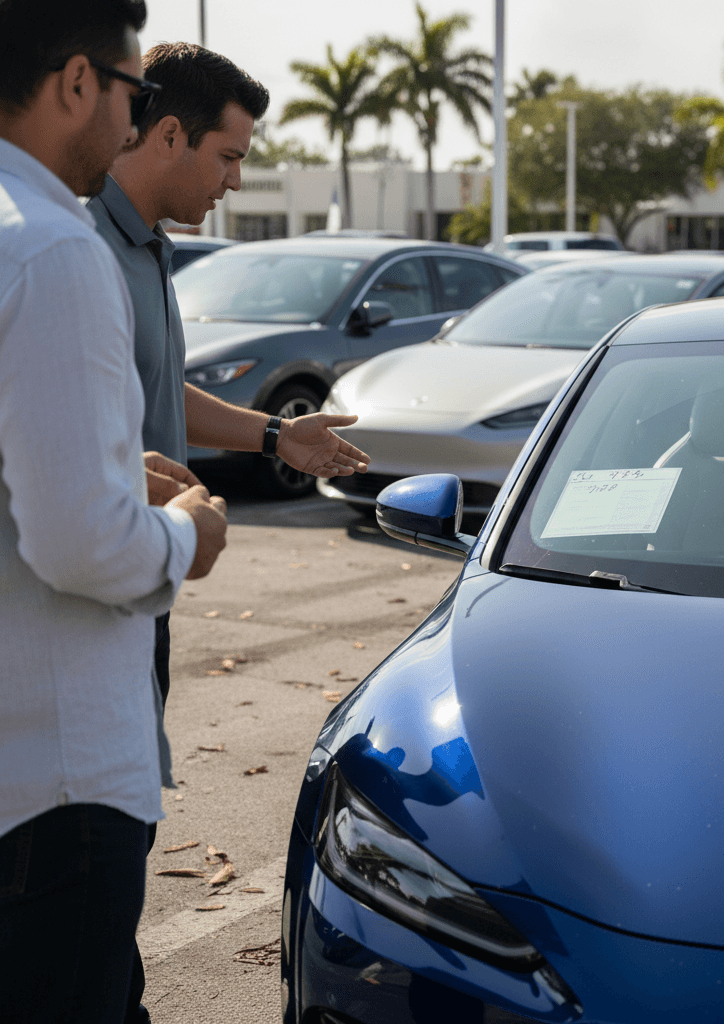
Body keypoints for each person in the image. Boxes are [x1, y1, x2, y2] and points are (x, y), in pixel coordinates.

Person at [84, 41, 371, 1023]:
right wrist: (156, 508)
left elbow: (162, 397)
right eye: (228, 155)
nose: (236, 179)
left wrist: (277, 434)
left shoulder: (140, 247)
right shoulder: (72, 251)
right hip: (81, 618)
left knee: (107, 887)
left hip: (133, 606)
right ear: (167, 132)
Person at [0, 2, 229, 1022]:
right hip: (59, 788)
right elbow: (83, 544)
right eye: (134, 92)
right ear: (78, 82)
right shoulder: (54, 249)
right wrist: (190, 532)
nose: (135, 120)